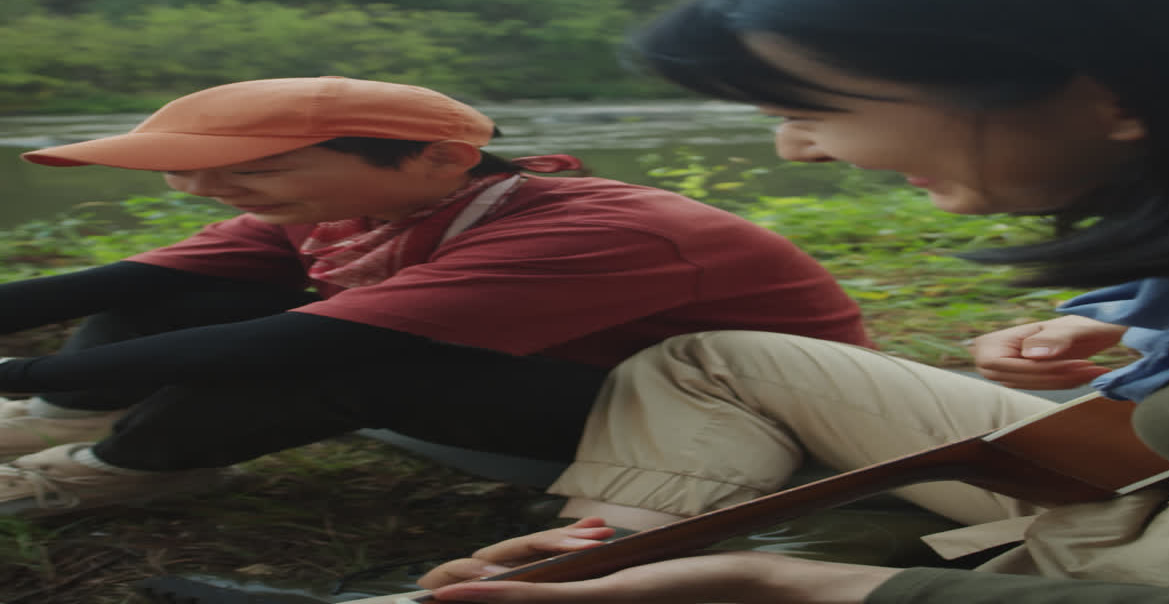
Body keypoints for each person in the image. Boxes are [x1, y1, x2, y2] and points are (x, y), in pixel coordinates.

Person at [418, 0, 1169, 603]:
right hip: (1166, 479)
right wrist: (1135, 330)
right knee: (714, 362)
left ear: (1112, 100)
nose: (801, 152)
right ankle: (613, 553)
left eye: (814, 111)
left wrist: (790, 583)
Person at [0, 75, 871, 517]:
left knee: (332, 350)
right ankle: (67, 412)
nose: (205, 190)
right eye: (190, 173)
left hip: (727, 431)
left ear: (437, 158)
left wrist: (12, 369)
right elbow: (124, 284)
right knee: (184, 290)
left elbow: (310, 347)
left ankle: (117, 473)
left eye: (252, 170)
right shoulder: (334, 202)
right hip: (546, 388)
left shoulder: (596, 227)